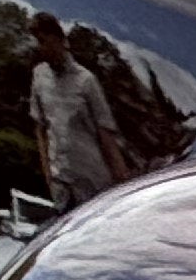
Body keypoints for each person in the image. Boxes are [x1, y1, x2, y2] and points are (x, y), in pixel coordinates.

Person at [26, 14, 127, 214]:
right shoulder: (39, 76)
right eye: (37, 42)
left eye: (44, 41)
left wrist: (122, 180)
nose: (41, 48)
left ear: (59, 40)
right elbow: (41, 129)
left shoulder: (86, 81)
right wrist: (48, 175)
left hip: (92, 182)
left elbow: (105, 132)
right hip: (61, 184)